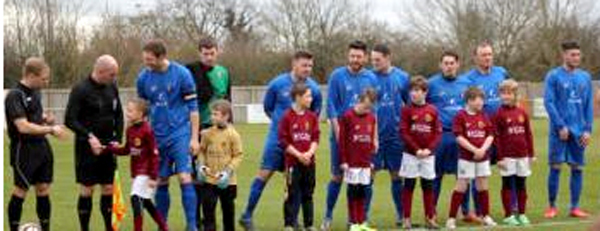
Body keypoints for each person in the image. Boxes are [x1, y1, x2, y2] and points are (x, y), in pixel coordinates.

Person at [239, 51, 322, 231]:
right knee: (264, 174)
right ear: (294, 64)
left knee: (296, 183)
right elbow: (268, 108)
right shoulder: (277, 83)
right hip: (277, 141)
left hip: (301, 146)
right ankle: (247, 215)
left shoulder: (314, 89)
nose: (307, 69)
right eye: (304, 65)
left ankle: (292, 221)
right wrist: (283, 126)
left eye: (310, 66)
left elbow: (314, 114)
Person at [136, 39, 200, 231]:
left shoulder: (182, 74)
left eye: (150, 60)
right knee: (161, 179)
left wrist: (194, 138)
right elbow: (142, 110)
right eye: (144, 59)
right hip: (157, 136)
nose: (147, 63)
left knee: (184, 177)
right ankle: (162, 225)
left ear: (162, 57)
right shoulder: (143, 78)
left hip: (180, 133)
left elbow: (193, 108)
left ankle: (191, 225)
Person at [6, 57, 67, 231]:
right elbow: (23, 126)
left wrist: (45, 119)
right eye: (44, 78)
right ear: (31, 75)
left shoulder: (36, 92)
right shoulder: (15, 95)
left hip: (42, 148)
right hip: (23, 150)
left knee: (43, 189)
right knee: (21, 190)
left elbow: (33, 116)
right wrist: (51, 130)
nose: (46, 82)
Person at [322, 40, 377, 230]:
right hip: (342, 137)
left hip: (363, 140)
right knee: (337, 177)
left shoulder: (371, 78)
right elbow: (331, 106)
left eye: (359, 56)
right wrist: (339, 133)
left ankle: (360, 219)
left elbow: (373, 112)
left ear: (365, 57)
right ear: (348, 56)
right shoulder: (337, 76)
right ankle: (328, 216)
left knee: (365, 178)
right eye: (352, 55)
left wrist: (375, 137)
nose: (355, 59)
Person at [65, 55, 124, 231]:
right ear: (100, 71)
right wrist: (89, 136)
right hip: (86, 146)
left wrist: (117, 139)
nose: (114, 78)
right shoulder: (80, 89)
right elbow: (69, 119)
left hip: (108, 146)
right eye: (112, 74)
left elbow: (118, 115)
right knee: (87, 189)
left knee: (108, 188)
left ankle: (109, 228)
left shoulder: (112, 87)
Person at [543, 41, 593, 218]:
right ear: (564, 55)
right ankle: (552, 206)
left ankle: (574, 207)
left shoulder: (585, 77)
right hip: (559, 131)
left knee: (577, 168)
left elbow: (588, 105)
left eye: (578, 55)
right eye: (572, 55)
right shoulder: (553, 76)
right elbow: (549, 102)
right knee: (555, 166)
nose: (576, 58)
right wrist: (560, 126)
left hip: (579, 131)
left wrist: (588, 130)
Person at [186, 37, 232, 230]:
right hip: (198, 129)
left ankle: (214, 220)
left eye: (212, 53)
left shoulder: (224, 72)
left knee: (219, 172)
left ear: (217, 52)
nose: (209, 57)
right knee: (198, 175)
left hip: (219, 131)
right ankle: (195, 221)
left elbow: (228, 100)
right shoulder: (190, 71)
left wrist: (230, 126)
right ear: (199, 53)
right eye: (205, 54)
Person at [102, 99, 169, 231]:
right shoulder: (130, 129)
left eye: (130, 111)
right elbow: (127, 150)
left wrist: (153, 177)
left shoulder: (147, 130)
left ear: (140, 114)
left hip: (146, 172)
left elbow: (154, 154)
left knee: (135, 198)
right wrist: (108, 148)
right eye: (127, 110)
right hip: (137, 172)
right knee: (146, 202)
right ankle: (164, 226)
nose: (127, 113)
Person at [427, 51, 476, 221]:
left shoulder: (467, 83)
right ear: (441, 65)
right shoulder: (431, 84)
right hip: (440, 136)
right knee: (435, 176)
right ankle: (431, 213)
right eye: (445, 63)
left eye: (452, 63)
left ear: (458, 64)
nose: (449, 66)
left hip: (461, 137)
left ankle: (465, 212)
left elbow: (474, 108)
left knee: (463, 175)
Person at [370, 43, 409, 226]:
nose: (374, 63)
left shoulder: (402, 77)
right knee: (369, 175)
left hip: (395, 137)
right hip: (373, 136)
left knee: (397, 175)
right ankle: (363, 218)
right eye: (373, 60)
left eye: (378, 60)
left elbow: (410, 106)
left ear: (388, 57)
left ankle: (401, 215)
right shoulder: (369, 77)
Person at [445, 87, 497, 229]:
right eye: (477, 99)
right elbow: (459, 137)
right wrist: (474, 150)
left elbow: (491, 135)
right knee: (461, 186)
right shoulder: (460, 116)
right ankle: (451, 218)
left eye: (482, 99)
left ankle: (486, 216)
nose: (480, 102)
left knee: (482, 185)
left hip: (483, 157)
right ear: (469, 101)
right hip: (466, 158)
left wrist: (482, 150)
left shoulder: (484, 116)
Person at [399, 76, 442, 229]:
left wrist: (429, 150)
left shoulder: (432, 110)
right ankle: (406, 219)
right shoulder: (406, 110)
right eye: (411, 90)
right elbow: (404, 132)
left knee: (428, 186)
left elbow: (437, 133)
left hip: (428, 156)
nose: (413, 94)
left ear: (425, 92)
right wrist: (416, 149)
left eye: (417, 90)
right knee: (409, 185)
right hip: (411, 155)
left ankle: (430, 218)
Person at [278, 83, 320, 231]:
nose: (311, 98)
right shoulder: (287, 117)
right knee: (291, 193)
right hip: (292, 164)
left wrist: (309, 153)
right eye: (308, 96)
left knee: (308, 193)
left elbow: (315, 137)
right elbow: (283, 141)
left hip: (309, 162)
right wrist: (298, 154)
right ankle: (289, 224)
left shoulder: (312, 117)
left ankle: (309, 224)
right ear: (298, 97)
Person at [196, 100, 243, 231]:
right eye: (212, 114)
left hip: (228, 182)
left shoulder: (233, 134)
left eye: (216, 114)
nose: (212, 117)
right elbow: (201, 151)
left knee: (228, 213)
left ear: (226, 116)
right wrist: (201, 165)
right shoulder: (207, 133)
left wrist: (228, 171)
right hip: (209, 180)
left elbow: (238, 155)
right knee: (208, 213)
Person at [492, 79, 534, 226]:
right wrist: (499, 157)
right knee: (507, 184)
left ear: (515, 94)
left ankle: (522, 214)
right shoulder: (498, 114)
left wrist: (531, 154)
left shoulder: (522, 112)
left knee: (522, 185)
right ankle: (508, 215)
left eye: (509, 93)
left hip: (522, 155)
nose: (506, 96)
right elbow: (496, 138)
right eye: (503, 93)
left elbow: (528, 134)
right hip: (507, 157)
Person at [338, 88, 378, 231]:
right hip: (351, 163)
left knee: (363, 191)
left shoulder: (371, 117)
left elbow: (371, 139)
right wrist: (343, 161)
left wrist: (371, 159)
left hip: (365, 162)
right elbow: (341, 141)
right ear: (359, 101)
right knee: (353, 191)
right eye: (366, 106)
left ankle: (362, 222)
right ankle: (353, 222)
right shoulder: (347, 116)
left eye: (370, 107)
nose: (368, 109)